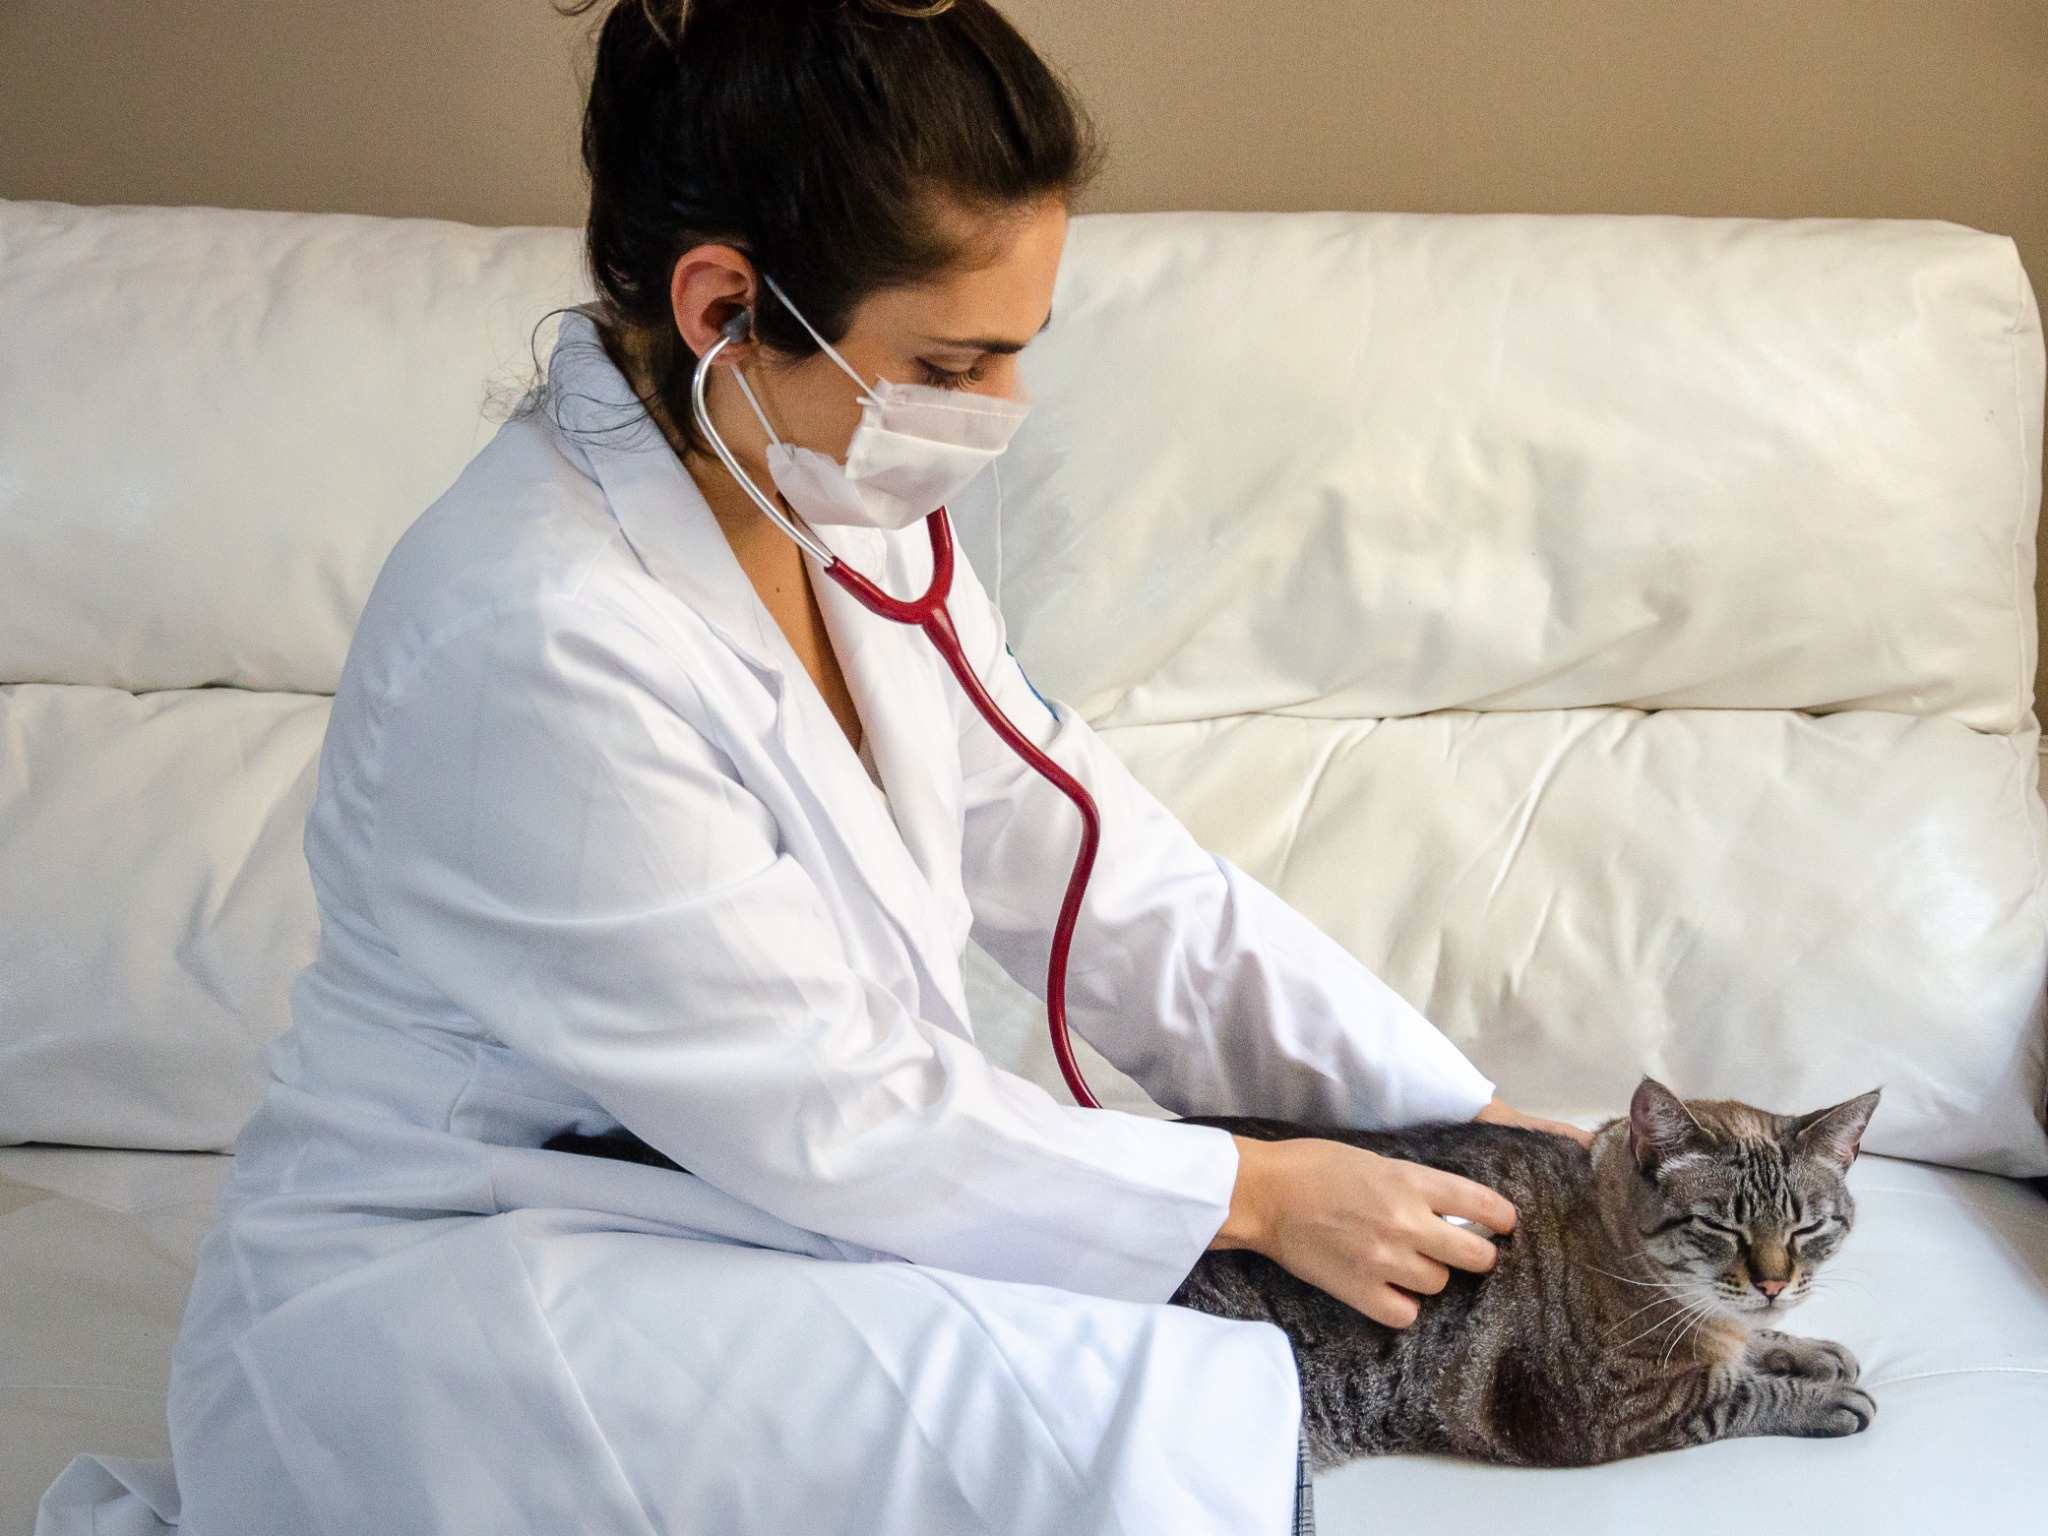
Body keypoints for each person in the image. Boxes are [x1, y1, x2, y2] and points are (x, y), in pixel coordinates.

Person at [163, 2, 1585, 1532]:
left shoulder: (835, 506)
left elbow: (1098, 867)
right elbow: (836, 1112)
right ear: (723, 308)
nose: (998, 415)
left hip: (731, 1198)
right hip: (474, 1276)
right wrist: (1254, 1190)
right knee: (1100, 1422)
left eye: (1016, 356)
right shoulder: (535, 636)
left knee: (1142, 1397)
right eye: (952, 361)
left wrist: (1473, 1122)